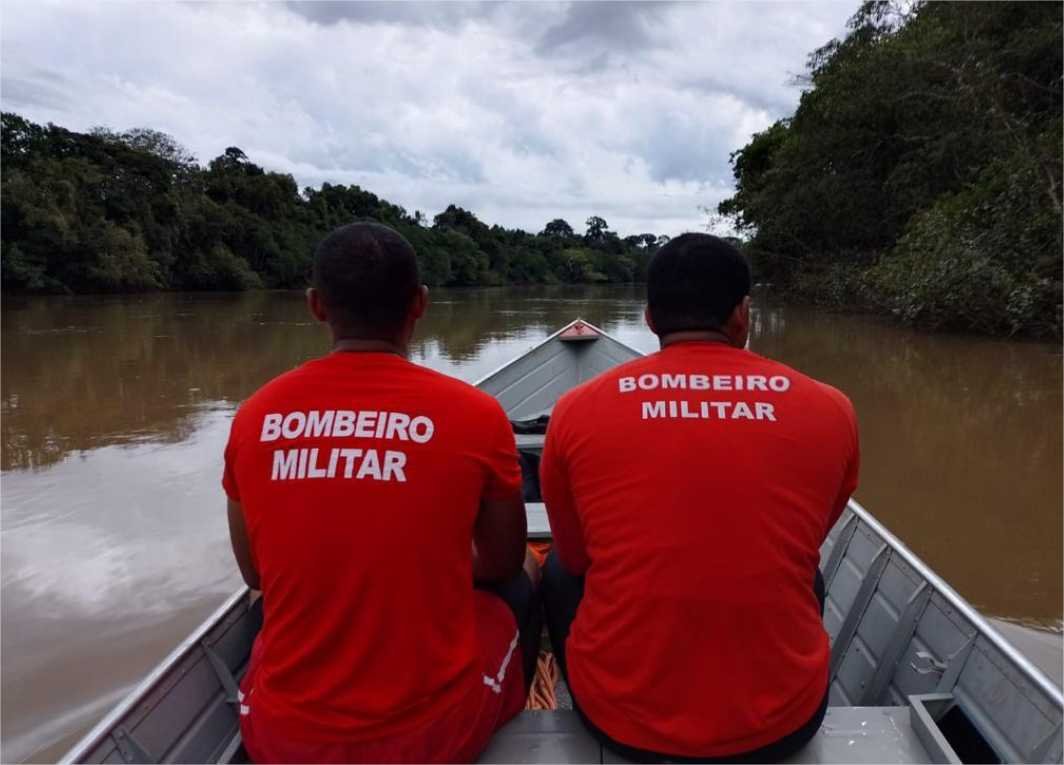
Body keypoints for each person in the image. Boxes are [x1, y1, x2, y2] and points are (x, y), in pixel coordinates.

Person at [222, 222, 540, 764]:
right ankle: (505, 716)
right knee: (527, 574)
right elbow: (501, 562)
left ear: (316, 306)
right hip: (431, 739)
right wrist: (432, 560)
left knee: (264, 605)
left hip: (282, 738)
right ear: (420, 303)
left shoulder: (255, 415)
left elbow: (256, 574)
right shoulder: (476, 415)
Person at [539, 233, 859, 763]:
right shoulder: (832, 408)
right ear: (743, 314)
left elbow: (575, 558)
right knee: (806, 569)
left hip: (622, 723)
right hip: (784, 724)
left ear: (649, 318)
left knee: (554, 569)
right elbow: (811, 535)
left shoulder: (575, 410)